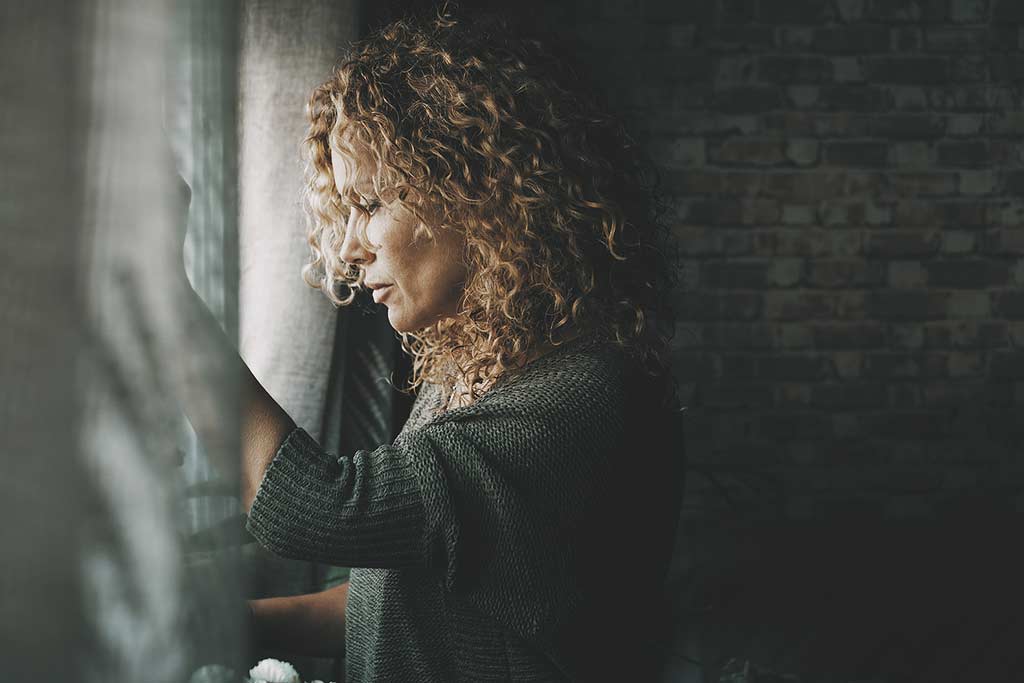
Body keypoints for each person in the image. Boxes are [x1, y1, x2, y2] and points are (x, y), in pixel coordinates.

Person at [177, 8, 684, 681]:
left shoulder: (580, 402)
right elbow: (412, 593)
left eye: (372, 202)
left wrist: (165, 296)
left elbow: (312, 508)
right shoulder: (476, 367)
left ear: (478, 193)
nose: (352, 248)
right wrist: (243, 626)